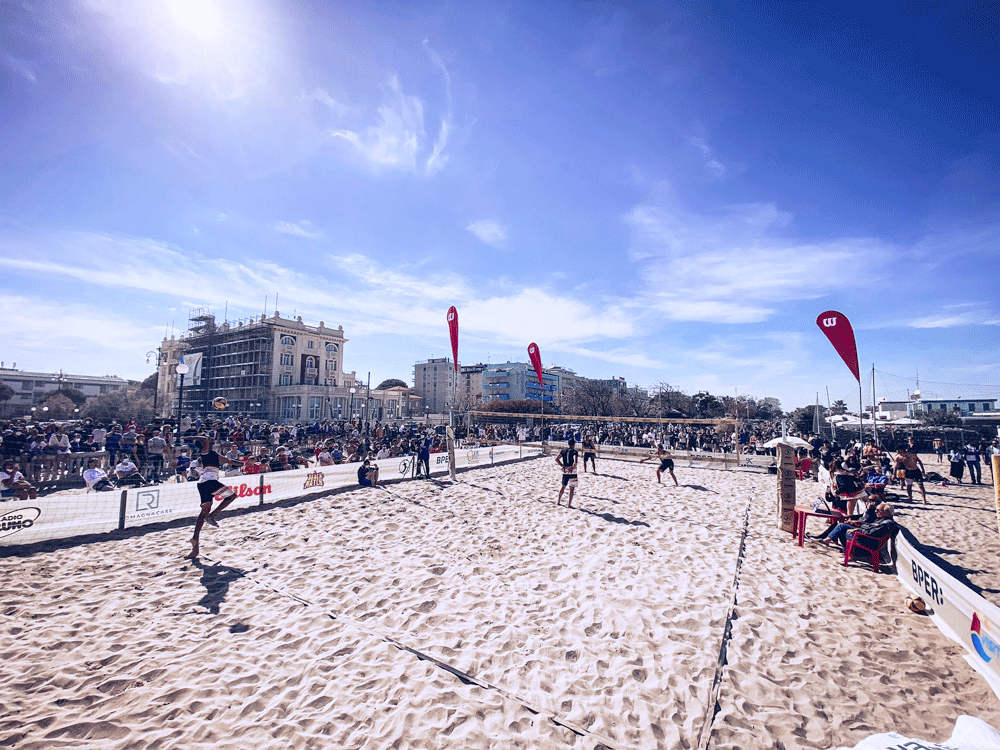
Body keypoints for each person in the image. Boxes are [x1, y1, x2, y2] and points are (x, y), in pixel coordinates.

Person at [186, 437, 238, 559]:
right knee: (232, 496)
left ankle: (195, 542)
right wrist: (190, 437)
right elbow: (205, 439)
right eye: (208, 440)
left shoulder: (214, 454)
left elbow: (229, 461)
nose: (210, 440)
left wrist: (244, 463)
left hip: (203, 483)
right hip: (209, 482)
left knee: (204, 511)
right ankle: (212, 516)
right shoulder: (206, 452)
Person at [826, 502, 898, 550]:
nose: (876, 511)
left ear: (886, 512)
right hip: (865, 535)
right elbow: (869, 525)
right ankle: (833, 542)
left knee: (842, 527)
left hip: (869, 541)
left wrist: (858, 530)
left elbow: (872, 532)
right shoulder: (881, 518)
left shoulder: (887, 523)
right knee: (843, 526)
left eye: (878, 510)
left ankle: (850, 554)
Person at [555, 438, 579, 507]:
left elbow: (557, 459)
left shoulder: (563, 451)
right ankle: (569, 504)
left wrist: (562, 465)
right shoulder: (575, 451)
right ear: (574, 445)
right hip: (572, 471)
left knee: (563, 487)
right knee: (572, 488)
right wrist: (572, 466)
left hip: (565, 470)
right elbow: (575, 462)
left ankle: (558, 501)